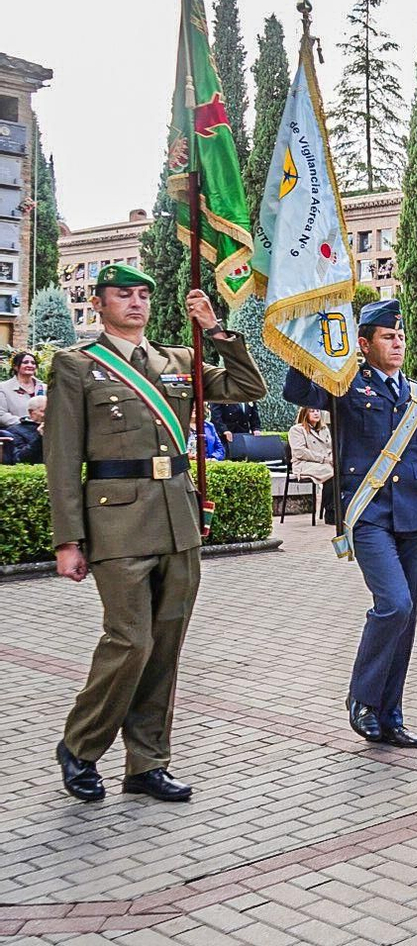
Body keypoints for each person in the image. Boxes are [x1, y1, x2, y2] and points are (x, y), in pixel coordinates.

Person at [47, 263, 266, 802]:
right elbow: (62, 458)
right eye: (123, 295)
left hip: (177, 518)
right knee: (130, 641)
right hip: (117, 522)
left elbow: (248, 387)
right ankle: (80, 746)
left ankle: (146, 763)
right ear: (99, 304)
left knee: (165, 646)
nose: (136, 303)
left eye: (143, 294)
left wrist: (215, 330)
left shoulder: (180, 360)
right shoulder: (77, 366)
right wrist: (68, 540)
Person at [284, 299, 417, 749]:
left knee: (407, 619)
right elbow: (297, 391)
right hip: (369, 515)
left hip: (413, 517)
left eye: (401, 337)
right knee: (394, 605)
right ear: (365, 344)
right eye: (388, 337)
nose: (398, 344)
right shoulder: (345, 384)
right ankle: (363, 700)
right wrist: (308, 335)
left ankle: (391, 715)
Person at [287, 406, 334, 522]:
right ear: (305, 414)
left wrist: (332, 458)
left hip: (325, 462)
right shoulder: (296, 430)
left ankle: (339, 508)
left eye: (317, 411)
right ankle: (331, 512)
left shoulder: (324, 429)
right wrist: (323, 459)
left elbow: (331, 448)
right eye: (312, 411)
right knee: (331, 472)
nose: (316, 413)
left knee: (342, 471)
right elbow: (300, 452)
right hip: (304, 464)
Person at [1, 349, 46, 427]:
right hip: (16, 431)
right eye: (25, 362)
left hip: (44, 431)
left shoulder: (44, 387)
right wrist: (26, 423)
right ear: (15, 366)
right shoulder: (3, 388)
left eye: (33, 363)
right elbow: (1, 414)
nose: (30, 365)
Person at [1, 393, 46, 464]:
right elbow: (19, 459)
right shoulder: (15, 431)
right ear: (31, 412)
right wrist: (40, 437)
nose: (49, 414)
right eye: (44, 411)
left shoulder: (59, 428)